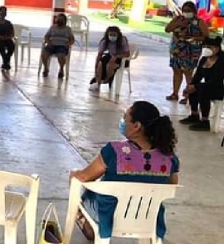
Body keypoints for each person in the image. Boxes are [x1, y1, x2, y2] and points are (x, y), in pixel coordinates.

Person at [70, 101, 179, 242]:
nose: (122, 122)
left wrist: (73, 174)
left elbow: (84, 177)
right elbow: (172, 185)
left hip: (110, 216)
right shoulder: (169, 157)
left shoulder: (114, 151)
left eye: (125, 118)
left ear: (137, 126)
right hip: (148, 218)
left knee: (77, 180)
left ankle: (90, 225)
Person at [180, 36, 224, 131]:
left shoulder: (223, 62)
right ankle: (194, 114)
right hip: (208, 86)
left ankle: (205, 121)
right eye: (205, 46)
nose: (206, 49)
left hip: (220, 89)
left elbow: (217, 80)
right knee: (194, 88)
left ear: (217, 49)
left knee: (201, 89)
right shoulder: (204, 59)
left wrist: (196, 86)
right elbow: (198, 76)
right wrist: (190, 86)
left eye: (209, 47)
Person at [165, 1, 208, 104]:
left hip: (191, 51)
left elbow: (206, 36)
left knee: (188, 73)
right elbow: (167, 29)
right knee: (176, 71)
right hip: (176, 49)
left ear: (194, 11)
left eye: (189, 11)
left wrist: (194, 38)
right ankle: (175, 93)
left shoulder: (199, 22)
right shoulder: (178, 19)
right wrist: (178, 23)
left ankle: (189, 96)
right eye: (184, 10)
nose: (186, 12)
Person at [89, 26, 130, 92]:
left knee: (109, 66)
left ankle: (107, 79)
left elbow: (127, 53)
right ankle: (98, 83)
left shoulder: (122, 40)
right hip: (110, 56)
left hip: (122, 59)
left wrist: (117, 56)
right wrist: (96, 69)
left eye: (114, 35)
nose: (112, 36)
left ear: (118, 35)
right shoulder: (104, 41)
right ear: (107, 34)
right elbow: (99, 54)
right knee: (100, 64)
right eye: (111, 35)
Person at [41, 13, 74, 79]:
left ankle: (61, 69)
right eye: (58, 19)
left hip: (62, 46)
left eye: (61, 19)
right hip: (52, 45)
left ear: (65, 21)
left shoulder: (68, 29)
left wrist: (68, 44)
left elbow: (72, 39)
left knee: (61, 56)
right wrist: (49, 42)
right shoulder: (52, 27)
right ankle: (46, 68)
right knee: (44, 54)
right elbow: (46, 36)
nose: (59, 20)